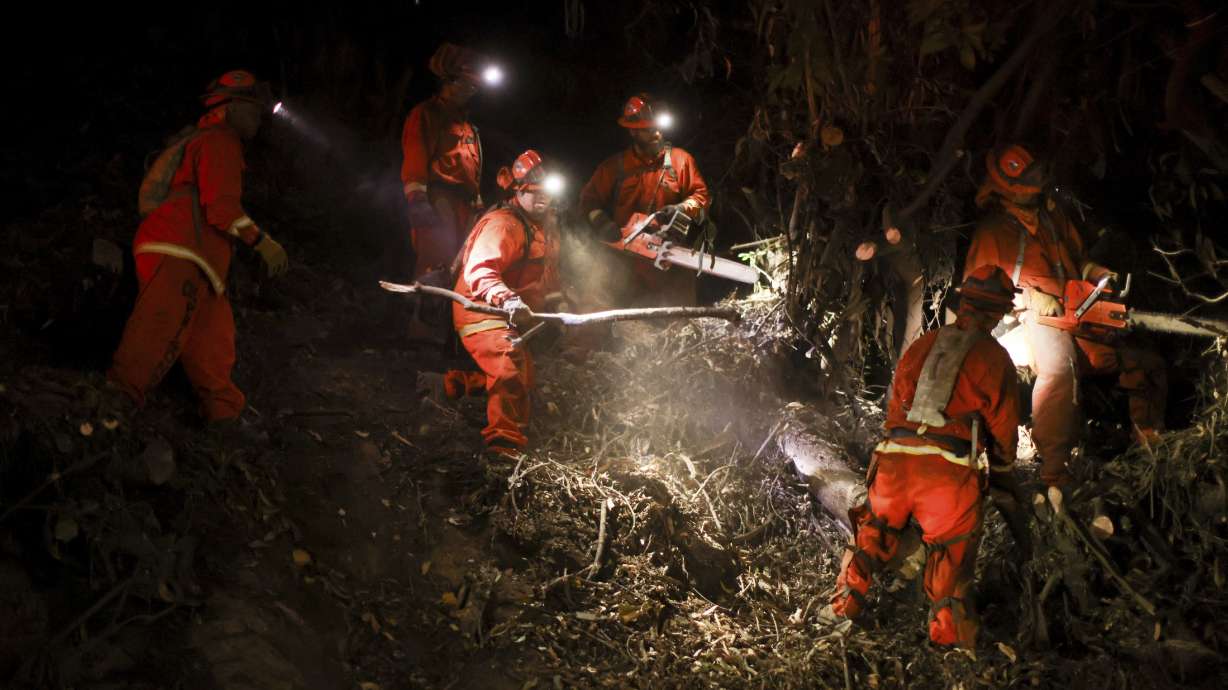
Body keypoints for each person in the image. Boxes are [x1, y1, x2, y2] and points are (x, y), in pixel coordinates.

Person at [826, 266, 1023, 649]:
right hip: (947, 478)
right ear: (999, 313)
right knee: (952, 558)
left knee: (871, 535)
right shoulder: (995, 359)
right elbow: (1003, 428)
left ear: (962, 303)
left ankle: (842, 607)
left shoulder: (923, 343)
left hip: (894, 463)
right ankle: (949, 643)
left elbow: (895, 404)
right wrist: (1003, 472)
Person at [963, 144, 1167, 492]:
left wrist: (1100, 275)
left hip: (1075, 310)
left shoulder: (1052, 217)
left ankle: (1149, 447)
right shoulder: (993, 231)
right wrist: (1030, 297)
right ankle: (1055, 473)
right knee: (1060, 368)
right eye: (1029, 179)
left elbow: (1080, 259)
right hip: (1028, 321)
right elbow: (976, 290)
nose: (1037, 185)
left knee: (1142, 361)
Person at [108, 70, 288, 426]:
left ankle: (226, 420)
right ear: (232, 107)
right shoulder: (220, 140)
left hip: (201, 262)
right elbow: (221, 208)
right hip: (179, 249)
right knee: (155, 331)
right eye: (252, 110)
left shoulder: (209, 140)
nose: (257, 120)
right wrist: (262, 242)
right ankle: (110, 410)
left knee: (213, 346)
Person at [443, 150, 563, 456]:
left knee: (524, 379)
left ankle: (456, 385)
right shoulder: (503, 224)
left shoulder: (543, 228)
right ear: (517, 192)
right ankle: (503, 447)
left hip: (510, 313)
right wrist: (507, 299)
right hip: (478, 309)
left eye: (545, 193)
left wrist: (557, 303)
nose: (541, 199)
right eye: (532, 193)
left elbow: (546, 274)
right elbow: (480, 272)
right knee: (508, 365)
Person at [577, 93, 709, 307]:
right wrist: (602, 222)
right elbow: (588, 200)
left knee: (679, 319)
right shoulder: (614, 168)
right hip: (624, 261)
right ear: (633, 131)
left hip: (670, 257)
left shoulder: (680, 160)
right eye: (648, 130)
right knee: (617, 315)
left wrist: (680, 208)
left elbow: (700, 196)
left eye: (658, 127)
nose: (656, 133)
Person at [401, 43, 486, 341]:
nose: (473, 89)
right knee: (434, 268)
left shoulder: (468, 127)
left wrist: (478, 206)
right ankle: (422, 339)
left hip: (465, 207)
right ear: (449, 80)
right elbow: (415, 157)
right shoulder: (426, 114)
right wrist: (418, 199)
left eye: (476, 84)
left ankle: (450, 338)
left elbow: (473, 172)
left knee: (460, 272)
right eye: (468, 83)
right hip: (438, 201)